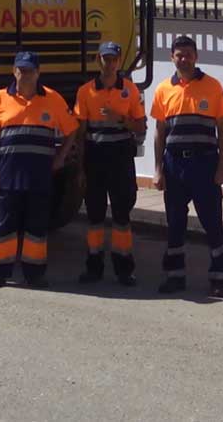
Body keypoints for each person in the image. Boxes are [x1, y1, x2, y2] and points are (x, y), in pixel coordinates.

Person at [0, 51, 80, 289]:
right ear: (14, 71)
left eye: (29, 71)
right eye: (20, 70)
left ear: (38, 73)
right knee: (5, 224)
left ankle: (34, 274)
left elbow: (71, 130)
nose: (24, 75)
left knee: (36, 226)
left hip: (40, 176)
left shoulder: (53, 99)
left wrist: (60, 158)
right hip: (9, 174)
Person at [150, 35, 223, 297]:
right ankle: (175, 276)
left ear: (196, 56)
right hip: (174, 164)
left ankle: (219, 277)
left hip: (205, 163)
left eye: (188, 54)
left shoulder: (213, 86)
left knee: (212, 221)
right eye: (178, 54)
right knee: (175, 223)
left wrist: (222, 166)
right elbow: (159, 132)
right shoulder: (163, 89)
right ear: (171, 57)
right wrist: (158, 169)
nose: (183, 58)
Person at [73, 42, 146, 286]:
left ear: (118, 61)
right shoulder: (85, 91)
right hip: (94, 158)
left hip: (120, 158)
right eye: (106, 58)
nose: (110, 63)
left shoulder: (130, 90)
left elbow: (140, 126)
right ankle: (93, 267)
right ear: (98, 60)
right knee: (94, 217)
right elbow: (80, 133)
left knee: (122, 216)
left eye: (114, 58)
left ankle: (124, 269)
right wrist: (80, 168)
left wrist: (121, 119)